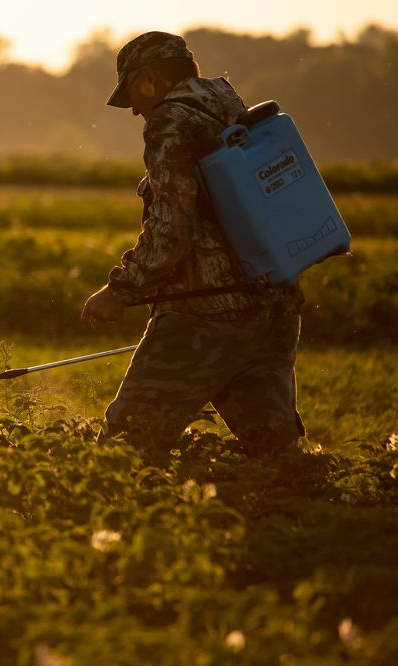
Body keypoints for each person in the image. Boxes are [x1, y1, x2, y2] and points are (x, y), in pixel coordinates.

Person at [80, 31, 306, 456]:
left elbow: (172, 227)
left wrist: (121, 290)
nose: (134, 110)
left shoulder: (171, 122)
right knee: (275, 454)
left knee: (125, 450)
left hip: (203, 318)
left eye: (132, 94)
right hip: (274, 308)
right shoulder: (227, 106)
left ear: (150, 78)